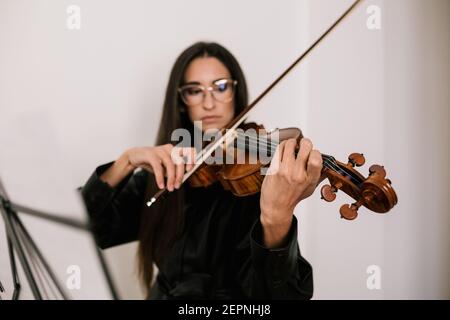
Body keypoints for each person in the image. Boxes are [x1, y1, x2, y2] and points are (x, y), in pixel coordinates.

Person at [80, 42, 323, 299]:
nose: (209, 103)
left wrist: (276, 218)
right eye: (195, 90)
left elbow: (281, 297)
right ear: (183, 102)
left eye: (220, 87)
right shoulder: (164, 176)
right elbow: (86, 226)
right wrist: (126, 161)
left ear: (235, 93)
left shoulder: (262, 184)